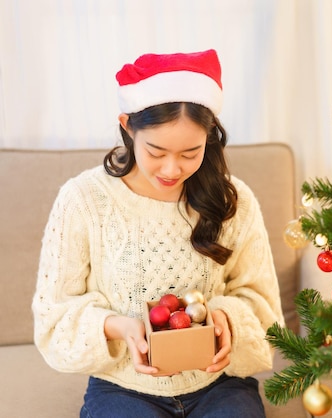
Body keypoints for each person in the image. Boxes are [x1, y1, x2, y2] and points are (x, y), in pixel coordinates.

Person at [32, 49, 284, 418]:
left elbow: (261, 303)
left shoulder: (234, 201)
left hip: (219, 385)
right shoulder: (84, 200)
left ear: (210, 137)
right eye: (156, 150)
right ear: (127, 126)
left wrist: (225, 319)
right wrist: (119, 327)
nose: (172, 168)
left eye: (190, 152)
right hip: (123, 388)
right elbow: (53, 315)